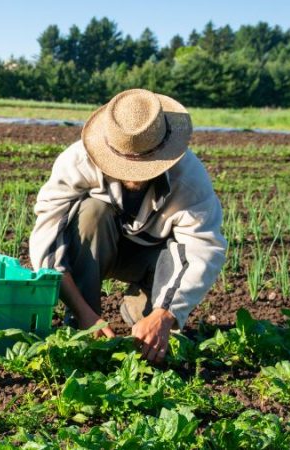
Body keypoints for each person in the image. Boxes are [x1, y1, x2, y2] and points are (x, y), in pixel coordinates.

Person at [29, 88, 226, 363]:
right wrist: (86, 315)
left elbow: (202, 249)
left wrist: (165, 314)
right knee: (91, 212)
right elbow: (48, 241)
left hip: (151, 257)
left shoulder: (189, 179)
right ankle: (81, 324)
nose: (133, 176)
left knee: (151, 338)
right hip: (98, 246)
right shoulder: (77, 161)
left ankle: (142, 307)